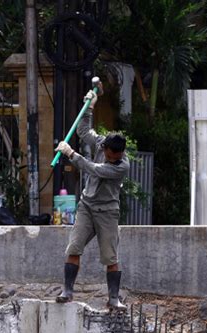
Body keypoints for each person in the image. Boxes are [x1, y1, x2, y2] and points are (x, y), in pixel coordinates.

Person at [55, 85, 129, 309]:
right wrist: (90, 107)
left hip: (107, 211)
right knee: (74, 247)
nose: (111, 158)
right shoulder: (101, 143)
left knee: (110, 257)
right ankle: (67, 291)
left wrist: (71, 154)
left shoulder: (121, 166)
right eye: (109, 154)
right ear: (105, 147)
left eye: (115, 156)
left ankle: (113, 298)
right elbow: (84, 131)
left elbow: (94, 169)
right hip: (87, 207)